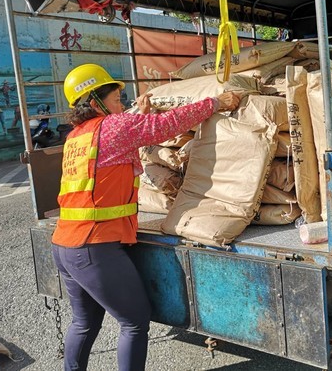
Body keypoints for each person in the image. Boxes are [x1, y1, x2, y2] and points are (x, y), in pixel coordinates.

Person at [51, 63, 240, 371]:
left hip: (65, 245)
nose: (121, 105)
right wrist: (217, 103)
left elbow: (119, 129)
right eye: (115, 99)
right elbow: (167, 125)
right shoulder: (113, 129)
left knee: (84, 323)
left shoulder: (77, 137)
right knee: (135, 322)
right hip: (94, 247)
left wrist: (138, 112)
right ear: (94, 101)